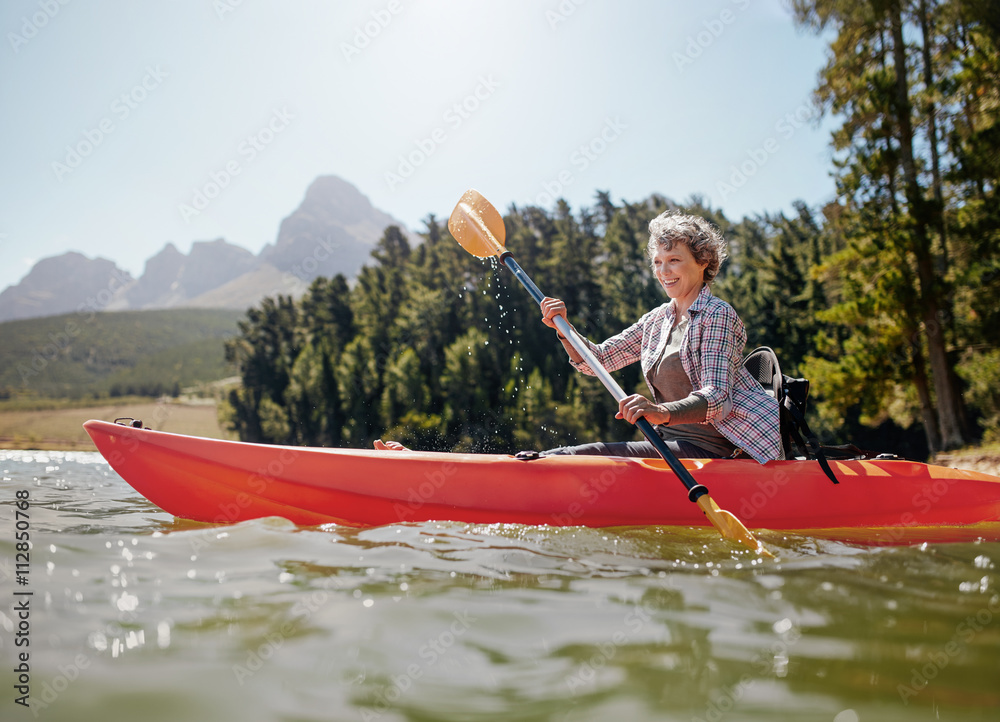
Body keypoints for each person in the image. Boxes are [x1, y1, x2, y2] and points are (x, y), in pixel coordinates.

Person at [537, 210, 780, 464]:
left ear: (703, 261)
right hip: (668, 444)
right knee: (564, 457)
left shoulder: (716, 314)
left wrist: (660, 411)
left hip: (718, 451)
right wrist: (565, 331)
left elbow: (717, 397)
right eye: (657, 262)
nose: (663, 271)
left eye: (674, 259)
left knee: (574, 458)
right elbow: (598, 361)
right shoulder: (656, 320)